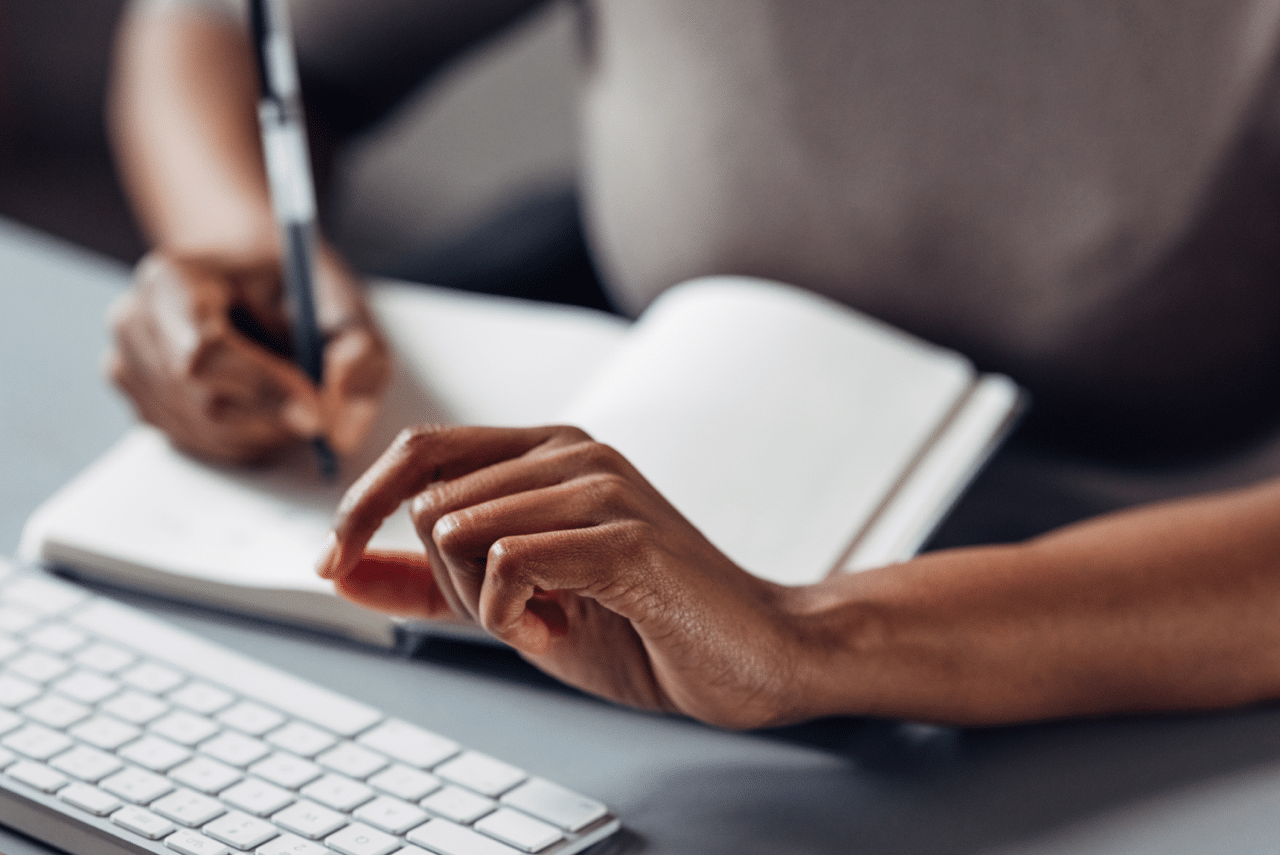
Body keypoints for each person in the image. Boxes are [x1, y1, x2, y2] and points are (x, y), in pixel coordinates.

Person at [107, 0, 1280, 728]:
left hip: (1152, 572)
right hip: (669, 412)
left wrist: (817, 637)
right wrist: (236, 249)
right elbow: (211, 25)